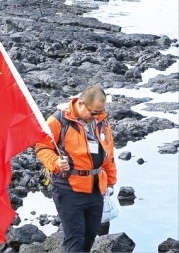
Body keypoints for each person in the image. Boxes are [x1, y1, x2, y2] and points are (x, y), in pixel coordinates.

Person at [35, 86, 117, 253]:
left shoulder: (101, 121)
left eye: (100, 112)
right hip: (68, 189)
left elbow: (108, 152)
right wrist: (56, 161)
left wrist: (110, 181)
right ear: (81, 103)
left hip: (95, 189)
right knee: (75, 239)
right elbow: (42, 147)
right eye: (93, 112)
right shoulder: (59, 120)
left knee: (90, 236)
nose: (96, 116)